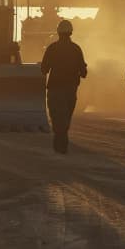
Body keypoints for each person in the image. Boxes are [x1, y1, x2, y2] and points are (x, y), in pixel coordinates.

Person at [40, 20, 87, 154]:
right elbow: (84, 73)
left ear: (58, 32)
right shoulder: (76, 49)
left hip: (55, 90)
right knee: (65, 117)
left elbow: (44, 69)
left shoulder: (52, 48)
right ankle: (62, 143)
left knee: (56, 117)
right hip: (70, 90)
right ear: (70, 32)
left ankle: (59, 143)